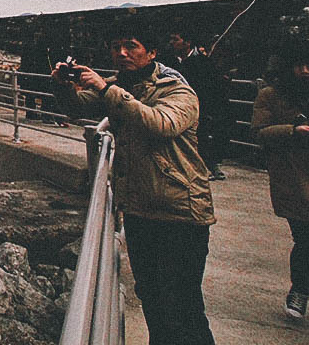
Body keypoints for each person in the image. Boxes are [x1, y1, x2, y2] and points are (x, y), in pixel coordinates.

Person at [52, 21, 216, 345]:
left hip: (180, 212)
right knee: (153, 301)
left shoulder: (177, 89)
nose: (122, 53)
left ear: (152, 52)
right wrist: (63, 86)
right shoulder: (121, 86)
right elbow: (76, 108)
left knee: (181, 307)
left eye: (131, 46)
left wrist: (105, 89)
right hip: (141, 212)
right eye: (116, 47)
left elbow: (161, 124)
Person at [251, 37, 309, 320]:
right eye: (299, 65)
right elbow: (258, 132)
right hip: (295, 178)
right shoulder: (271, 94)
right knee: (307, 238)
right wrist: (292, 130)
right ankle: (300, 290)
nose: (305, 71)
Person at [168, 30, 232, 180]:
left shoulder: (204, 63)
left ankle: (210, 165)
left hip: (200, 105)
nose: (172, 43)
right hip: (175, 105)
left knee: (202, 135)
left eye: (175, 39)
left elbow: (213, 87)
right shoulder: (169, 61)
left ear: (187, 42)